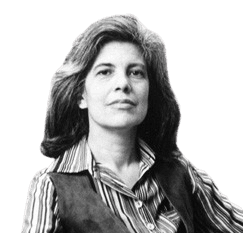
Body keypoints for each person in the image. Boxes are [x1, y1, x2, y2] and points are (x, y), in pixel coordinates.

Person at [22, 14, 243, 233]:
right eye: (105, 72)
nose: (123, 84)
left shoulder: (180, 172)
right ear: (81, 96)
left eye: (136, 72)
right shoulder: (50, 187)